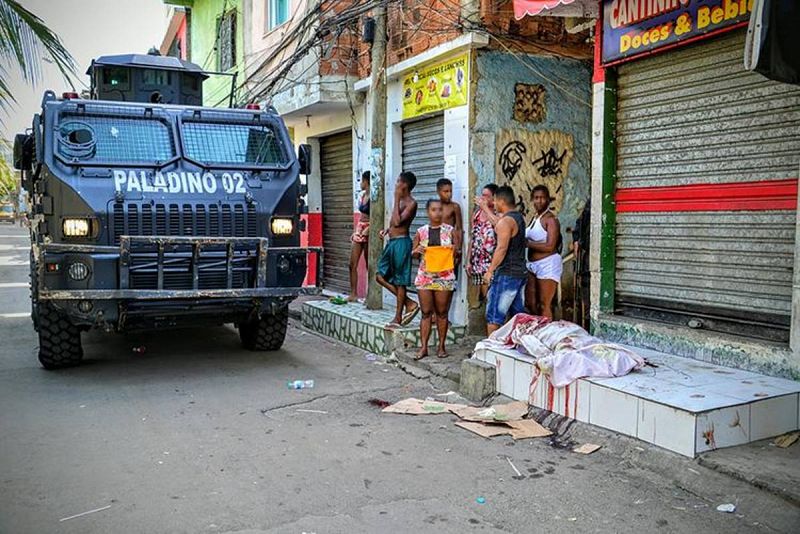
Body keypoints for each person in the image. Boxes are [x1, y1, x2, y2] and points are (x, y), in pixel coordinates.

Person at [412, 198, 456, 359]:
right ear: (428, 212)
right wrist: (418, 250)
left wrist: (452, 250)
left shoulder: (450, 231)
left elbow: (457, 253)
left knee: (442, 313)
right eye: (433, 210)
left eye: (440, 209)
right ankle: (424, 347)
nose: (437, 213)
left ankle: (441, 346)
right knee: (425, 313)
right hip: (425, 276)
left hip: (445, 276)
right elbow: (413, 254)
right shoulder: (420, 232)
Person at [376, 171, 419, 327]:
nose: (395, 185)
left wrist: (395, 198)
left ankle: (398, 317)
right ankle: (409, 303)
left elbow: (398, 221)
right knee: (379, 276)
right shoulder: (400, 201)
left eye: (397, 182)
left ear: (404, 185)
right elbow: (393, 223)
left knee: (400, 281)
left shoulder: (411, 203)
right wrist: (387, 230)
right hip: (392, 242)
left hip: (402, 243)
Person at [484, 185, 528, 335]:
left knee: (494, 316)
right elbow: (499, 224)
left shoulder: (505, 222)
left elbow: (501, 249)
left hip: (506, 274)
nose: (494, 205)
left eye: (495, 202)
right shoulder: (518, 218)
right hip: (519, 273)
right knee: (518, 316)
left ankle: (490, 352)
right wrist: (486, 208)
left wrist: (490, 270)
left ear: (501, 201)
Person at [525, 185, 562, 319]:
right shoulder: (534, 218)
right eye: (536, 198)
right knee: (530, 303)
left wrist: (528, 244)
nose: (539, 201)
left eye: (542, 198)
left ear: (548, 200)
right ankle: (537, 332)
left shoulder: (550, 219)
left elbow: (550, 246)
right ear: (532, 200)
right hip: (532, 265)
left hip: (548, 264)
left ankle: (547, 334)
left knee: (544, 304)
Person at [467, 184, 499, 302]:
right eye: (482, 195)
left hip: (492, 261)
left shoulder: (497, 214)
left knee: (492, 295)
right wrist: (468, 261)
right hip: (478, 261)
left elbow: (499, 225)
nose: (483, 198)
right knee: (483, 295)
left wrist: (485, 208)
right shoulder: (477, 214)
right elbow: (472, 237)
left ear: (494, 198)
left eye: (486, 196)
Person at [348, 171, 371, 302]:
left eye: (362, 180)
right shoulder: (362, 196)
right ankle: (353, 293)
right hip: (360, 227)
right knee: (352, 263)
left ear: (367, 181)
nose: (360, 183)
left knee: (369, 264)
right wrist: (356, 231)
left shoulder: (374, 196)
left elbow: (376, 216)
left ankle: (370, 294)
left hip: (369, 228)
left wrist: (369, 228)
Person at [435, 178, 463, 267]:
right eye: (446, 191)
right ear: (438, 192)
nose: (449, 194)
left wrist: (458, 248)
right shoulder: (434, 206)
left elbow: (459, 228)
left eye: (451, 191)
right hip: (435, 245)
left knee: (449, 275)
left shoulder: (454, 207)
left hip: (449, 245)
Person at [572, 199, 590, 329]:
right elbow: (580, 223)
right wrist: (577, 240)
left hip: (591, 257)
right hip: (586, 259)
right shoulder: (590, 203)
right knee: (586, 291)